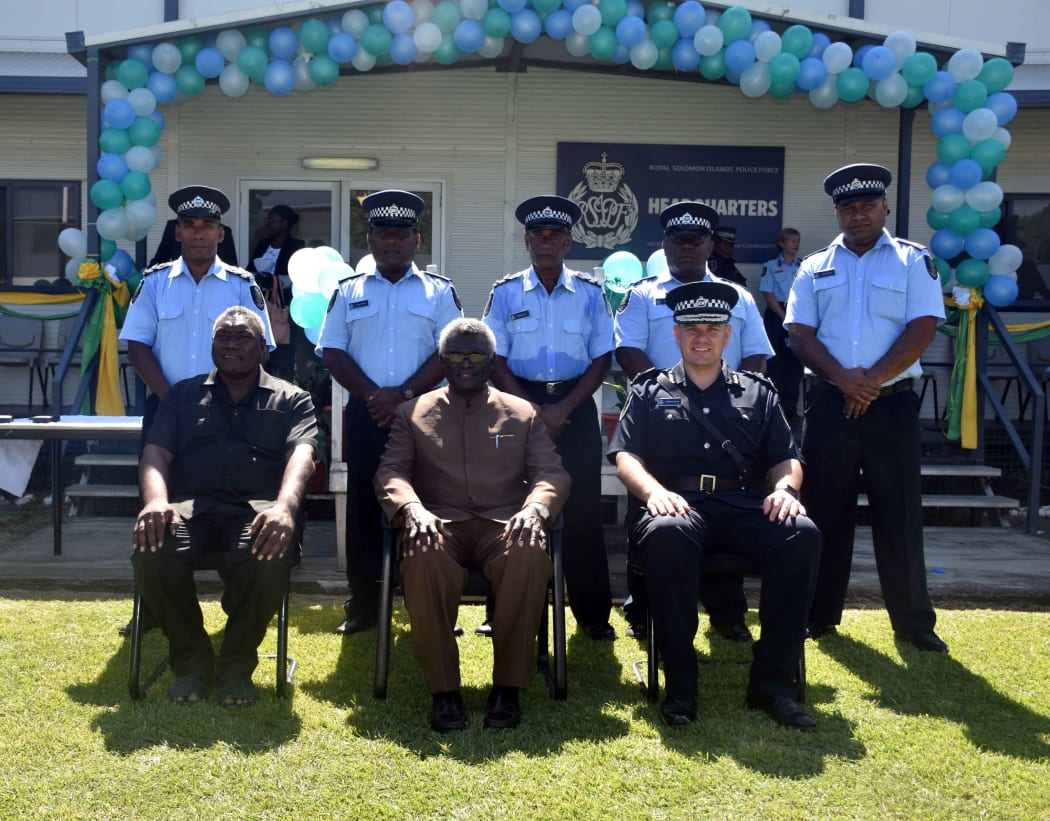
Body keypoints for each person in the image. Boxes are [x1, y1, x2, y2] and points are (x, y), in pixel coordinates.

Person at [609, 280, 821, 730]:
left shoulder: (757, 392)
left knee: (800, 535)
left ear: (728, 335)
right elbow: (626, 457)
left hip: (742, 504)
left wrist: (784, 490)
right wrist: (653, 494)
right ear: (676, 334)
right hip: (676, 506)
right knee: (666, 535)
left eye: (711, 328)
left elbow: (787, 458)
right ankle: (680, 687)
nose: (700, 336)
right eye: (691, 328)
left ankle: (775, 686)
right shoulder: (649, 390)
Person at [374, 318, 570, 731]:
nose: (466, 362)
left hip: (504, 522)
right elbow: (391, 473)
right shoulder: (412, 413)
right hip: (439, 523)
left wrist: (535, 509)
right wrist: (412, 509)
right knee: (422, 553)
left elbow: (552, 474)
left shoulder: (522, 413)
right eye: (457, 355)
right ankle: (444, 693)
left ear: (492, 362)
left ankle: (508, 689)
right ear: (442, 362)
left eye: (476, 354)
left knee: (528, 554)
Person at [785, 163, 948, 653]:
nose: (857, 216)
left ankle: (914, 623)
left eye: (866, 207)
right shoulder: (814, 267)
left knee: (898, 514)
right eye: (848, 208)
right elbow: (799, 335)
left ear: (885, 208)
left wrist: (869, 383)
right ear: (838, 212)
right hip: (830, 405)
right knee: (824, 513)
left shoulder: (913, 261)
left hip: (890, 406)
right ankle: (818, 616)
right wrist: (844, 381)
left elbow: (923, 327)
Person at [131, 306, 318, 705]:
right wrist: (156, 502)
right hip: (190, 508)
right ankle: (192, 661)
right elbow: (154, 454)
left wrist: (285, 507)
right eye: (223, 337)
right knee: (153, 548)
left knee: (268, 553)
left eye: (242, 337)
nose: (231, 344)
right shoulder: (182, 394)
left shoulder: (293, 399)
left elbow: (302, 457)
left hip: (259, 511)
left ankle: (235, 666)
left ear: (264, 348)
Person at [118, 185, 274, 637]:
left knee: (225, 499)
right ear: (179, 231)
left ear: (220, 233)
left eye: (207, 227)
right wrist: (172, 400)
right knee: (156, 504)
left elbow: (261, 348)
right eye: (190, 226)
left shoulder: (244, 285)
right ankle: (152, 606)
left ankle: (235, 590)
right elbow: (138, 344)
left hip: (230, 414)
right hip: (166, 407)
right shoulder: (154, 282)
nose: (198, 234)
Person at [614, 202, 774, 643]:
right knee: (649, 515)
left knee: (730, 506)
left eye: (696, 240)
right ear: (664, 245)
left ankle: (727, 612)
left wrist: (745, 402)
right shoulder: (642, 294)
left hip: (729, 424)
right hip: (662, 420)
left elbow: (757, 354)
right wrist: (666, 393)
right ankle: (643, 609)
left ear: (709, 245)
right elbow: (628, 350)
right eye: (677, 240)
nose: (686, 247)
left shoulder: (738, 296)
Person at [318, 189, 463, 635]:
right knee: (364, 507)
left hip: (425, 416)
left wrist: (401, 393)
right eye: (383, 234)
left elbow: (450, 351)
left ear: (416, 240)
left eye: (401, 234)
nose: (392, 242)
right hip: (367, 416)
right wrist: (372, 397)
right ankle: (363, 604)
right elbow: (333, 351)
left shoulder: (440, 292)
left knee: (430, 506)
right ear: (371, 239)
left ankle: (429, 599)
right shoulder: (348, 291)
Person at [481, 195, 615, 641]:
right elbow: (494, 359)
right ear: (527, 241)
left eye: (555, 235)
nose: (546, 242)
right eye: (538, 235)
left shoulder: (591, 295)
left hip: (574, 407)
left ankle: (594, 617)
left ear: (568, 241)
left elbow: (601, 359)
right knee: (511, 509)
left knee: (581, 513)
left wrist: (562, 409)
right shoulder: (504, 293)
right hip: (518, 408)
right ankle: (504, 610)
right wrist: (532, 409)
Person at [247, 204, 307, 383]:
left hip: (283, 306)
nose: (268, 223)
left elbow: (298, 275)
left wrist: (275, 280)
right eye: (268, 219)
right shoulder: (263, 243)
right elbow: (249, 269)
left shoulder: (296, 245)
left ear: (285, 223)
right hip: (261, 303)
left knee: (283, 350)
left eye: (272, 220)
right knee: (261, 349)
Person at [760, 228, 804, 424]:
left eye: (798, 241)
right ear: (782, 243)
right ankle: (774, 409)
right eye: (792, 241)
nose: (795, 245)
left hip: (797, 317)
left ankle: (791, 410)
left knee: (795, 364)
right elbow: (768, 294)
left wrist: (794, 318)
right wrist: (784, 316)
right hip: (777, 316)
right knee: (776, 364)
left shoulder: (803, 266)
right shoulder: (770, 265)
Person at [150, 218, 238, 268]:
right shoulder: (174, 227)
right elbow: (161, 258)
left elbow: (230, 263)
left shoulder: (222, 231)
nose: (198, 236)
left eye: (207, 226)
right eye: (189, 227)